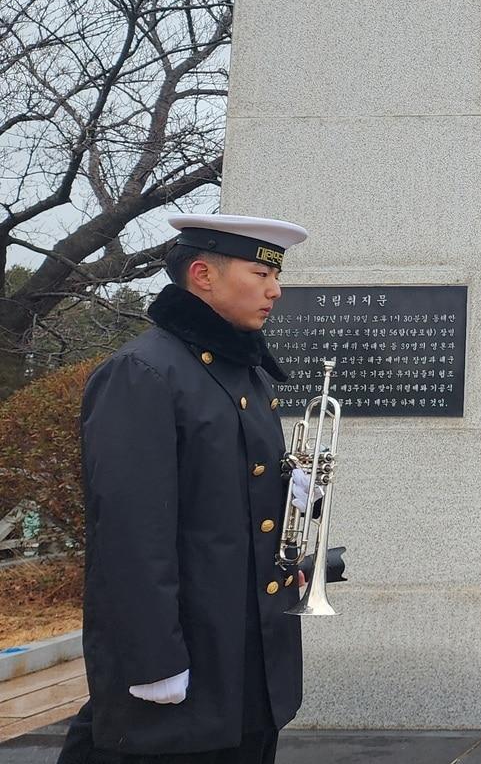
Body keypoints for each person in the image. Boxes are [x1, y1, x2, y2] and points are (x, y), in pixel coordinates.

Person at [58, 214, 316, 764]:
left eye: (276, 275)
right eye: (260, 273)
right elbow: (130, 537)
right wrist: (153, 661)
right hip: (187, 657)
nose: (276, 289)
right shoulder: (144, 373)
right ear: (203, 274)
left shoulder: (246, 372)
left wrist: (293, 502)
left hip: (247, 654)